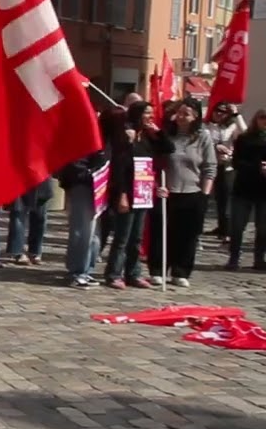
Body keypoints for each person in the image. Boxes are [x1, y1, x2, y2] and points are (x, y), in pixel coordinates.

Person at [148, 97, 218, 287]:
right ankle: (158, 269)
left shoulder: (202, 136)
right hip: (166, 191)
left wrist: (204, 194)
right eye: (178, 112)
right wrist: (157, 185)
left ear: (195, 117)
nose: (180, 117)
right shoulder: (166, 135)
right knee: (161, 232)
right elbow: (155, 162)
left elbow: (209, 167)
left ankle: (181, 271)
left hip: (192, 191)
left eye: (185, 114)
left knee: (187, 235)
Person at [103, 102, 156, 289]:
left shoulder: (147, 136)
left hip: (143, 192)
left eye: (152, 113)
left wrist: (157, 131)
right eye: (147, 113)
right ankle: (113, 274)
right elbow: (120, 167)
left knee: (137, 238)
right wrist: (122, 194)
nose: (151, 116)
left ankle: (133, 273)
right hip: (127, 191)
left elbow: (168, 148)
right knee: (122, 237)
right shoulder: (126, 136)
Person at [57, 129, 110, 289]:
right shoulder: (79, 137)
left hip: (99, 185)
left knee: (93, 234)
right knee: (82, 230)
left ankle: (87, 270)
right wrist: (91, 173)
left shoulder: (106, 136)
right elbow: (74, 166)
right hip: (83, 185)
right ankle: (76, 272)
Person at [227, 108, 266, 270]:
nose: (265, 121)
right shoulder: (244, 139)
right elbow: (236, 162)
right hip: (244, 188)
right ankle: (234, 258)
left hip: (264, 191)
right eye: (263, 117)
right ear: (256, 119)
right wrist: (258, 167)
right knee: (237, 226)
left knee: (263, 228)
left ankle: (259, 259)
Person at [207, 101, 246, 241]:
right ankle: (221, 226)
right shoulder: (207, 127)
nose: (219, 113)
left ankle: (227, 230)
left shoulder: (232, 127)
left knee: (226, 198)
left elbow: (245, 132)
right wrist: (215, 146)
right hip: (211, 165)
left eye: (223, 111)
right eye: (217, 110)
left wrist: (236, 114)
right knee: (216, 199)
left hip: (227, 166)